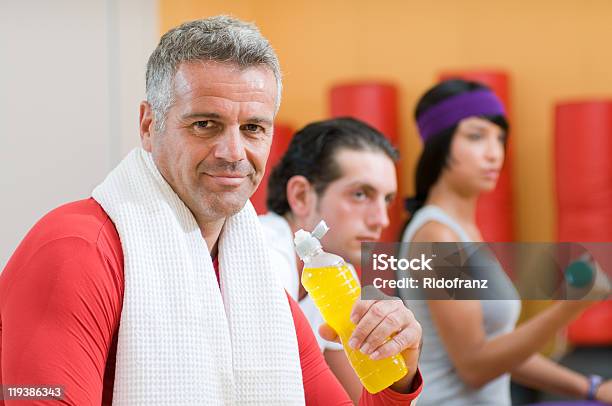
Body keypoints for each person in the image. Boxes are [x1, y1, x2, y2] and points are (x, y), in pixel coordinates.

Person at [0, 17, 423, 405]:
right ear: (149, 126)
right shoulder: (76, 251)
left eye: (253, 128)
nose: (233, 153)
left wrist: (394, 380)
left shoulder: (253, 283)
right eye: (205, 124)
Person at [398, 78, 612, 405]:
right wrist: (570, 308)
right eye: (476, 136)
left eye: (500, 139)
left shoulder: (462, 231)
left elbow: (502, 352)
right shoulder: (436, 238)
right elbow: (474, 365)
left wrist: (592, 388)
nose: (494, 153)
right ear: (440, 145)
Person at [261, 117, 420, 403]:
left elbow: (361, 398)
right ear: (301, 196)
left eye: (387, 200)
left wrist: (402, 374)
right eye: (360, 194)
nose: (381, 220)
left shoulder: (331, 271)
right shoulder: (264, 256)